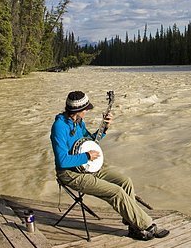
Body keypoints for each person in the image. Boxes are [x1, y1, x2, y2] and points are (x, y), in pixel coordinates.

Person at [50, 90, 169, 240]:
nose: (87, 111)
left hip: (87, 167)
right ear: (78, 110)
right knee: (116, 192)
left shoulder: (79, 123)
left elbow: (92, 141)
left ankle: (133, 225)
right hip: (70, 174)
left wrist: (104, 128)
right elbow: (62, 160)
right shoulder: (59, 127)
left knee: (125, 181)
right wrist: (86, 156)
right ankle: (146, 225)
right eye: (85, 109)